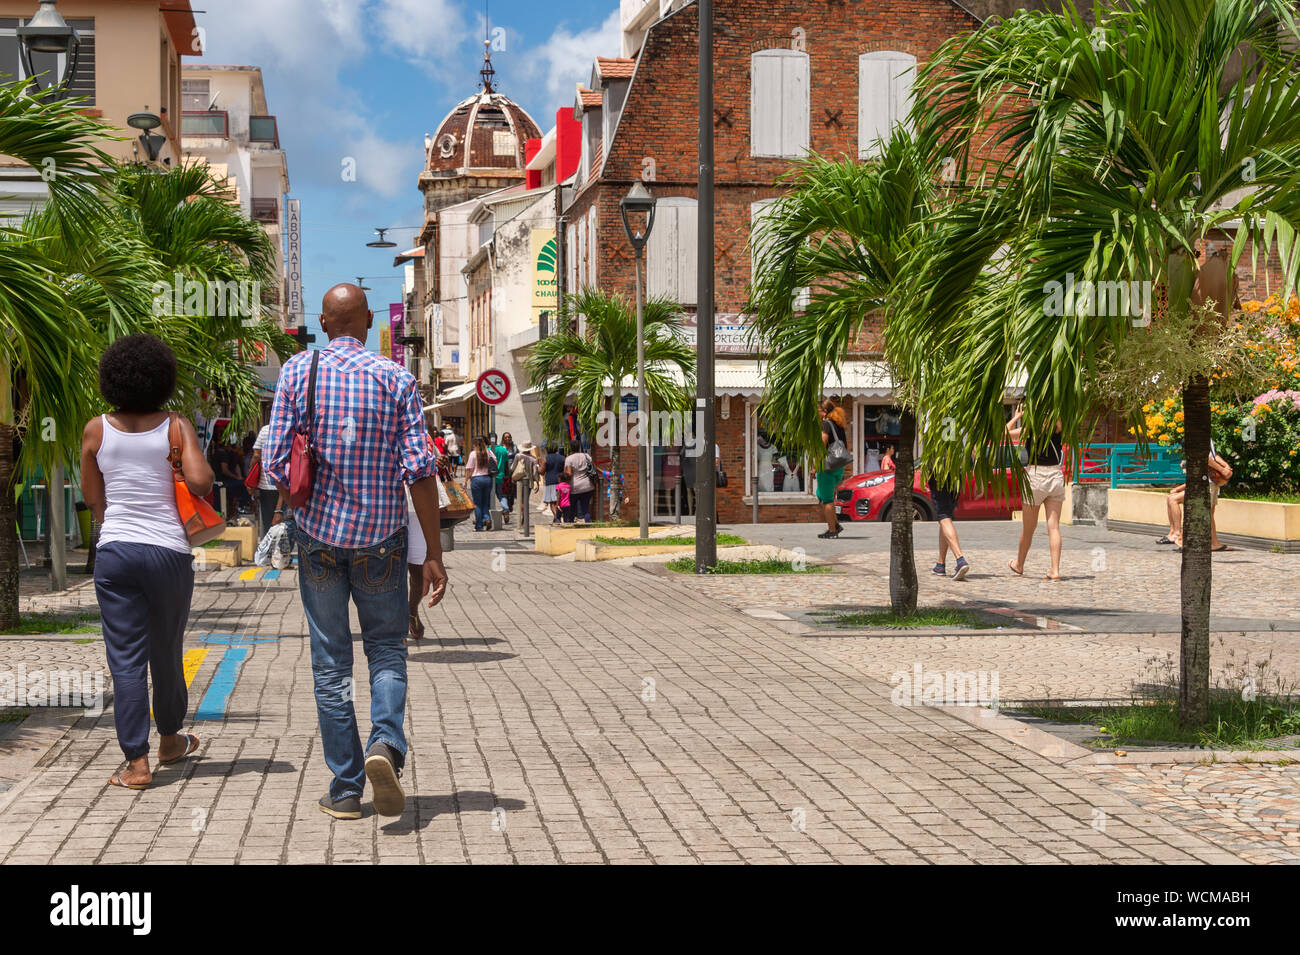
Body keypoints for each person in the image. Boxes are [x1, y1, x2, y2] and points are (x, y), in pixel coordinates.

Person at [263, 283, 447, 820]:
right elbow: (420, 470)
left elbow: (275, 462)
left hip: (318, 539)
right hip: (381, 540)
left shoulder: (298, 371)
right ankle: (385, 745)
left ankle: (345, 790)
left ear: (322, 323)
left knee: (330, 663)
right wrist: (432, 551)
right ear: (369, 321)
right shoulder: (397, 378)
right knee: (387, 650)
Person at [80, 334, 214, 791]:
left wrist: (118, 529)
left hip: (115, 552)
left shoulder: (95, 429)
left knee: (126, 659)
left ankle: (136, 765)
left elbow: (93, 500)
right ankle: (171, 740)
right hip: (168, 553)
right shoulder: (175, 425)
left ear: (111, 379)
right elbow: (200, 482)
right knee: (166, 648)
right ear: (162, 378)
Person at [1006, 408, 1064, 580]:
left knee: (1029, 529)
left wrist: (1018, 415)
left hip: (1036, 477)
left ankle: (1019, 564)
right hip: (1055, 475)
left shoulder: (1029, 430)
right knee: (1053, 527)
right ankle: (1055, 570)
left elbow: (1005, 433)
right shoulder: (1058, 426)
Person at [1164, 443, 1234, 551]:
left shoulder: (1208, 435)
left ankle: (1213, 543)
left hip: (1212, 480)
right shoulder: (1199, 433)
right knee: (1200, 511)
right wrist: (1222, 470)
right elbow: (1205, 457)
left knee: (1209, 512)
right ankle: (1181, 537)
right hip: (1206, 481)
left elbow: (1213, 454)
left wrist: (1226, 466)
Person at [406, 431, 438, 642]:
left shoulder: (423, 437)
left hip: (417, 513)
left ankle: (411, 612)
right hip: (386, 508)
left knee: (418, 573)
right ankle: (399, 624)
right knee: (391, 572)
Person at [927, 471, 970, 580]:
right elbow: (975, 454)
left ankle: (960, 560)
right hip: (956, 472)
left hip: (939, 473)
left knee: (944, 516)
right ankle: (940, 565)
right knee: (946, 517)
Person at [817, 399, 849, 538]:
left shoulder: (826, 424)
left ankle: (832, 531)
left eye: (818, 410)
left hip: (827, 466)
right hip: (838, 466)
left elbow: (822, 445)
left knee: (827, 500)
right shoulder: (838, 425)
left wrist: (815, 466)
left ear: (824, 411)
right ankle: (835, 524)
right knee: (821, 494)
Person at [250, 419, 280, 532]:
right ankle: (283, 544)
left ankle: (270, 545)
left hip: (266, 484)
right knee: (284, 517)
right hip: (286, 482)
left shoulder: (265, 430)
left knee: (268, 519)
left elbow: (257, 455)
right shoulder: (290, 428)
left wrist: (250, 472)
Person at [466, 435, 497, 531]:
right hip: (487, 479)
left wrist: (465, 480)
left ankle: (479, 526)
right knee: (485, 502)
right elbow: (495, 461)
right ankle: (487, 519)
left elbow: (469, 469)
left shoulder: (473, 454)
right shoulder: (489, 452)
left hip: (476, 479)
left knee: (477, 504)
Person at [563, 440, 595, 523]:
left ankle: (570, 525)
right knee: (586, 509)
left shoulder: (569, 459)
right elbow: (592, 467)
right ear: (579, 447)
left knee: (572, 509)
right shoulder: (586, 456)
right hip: (588, 486)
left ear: (571, 448)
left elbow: (569, 474)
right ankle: (588, 525)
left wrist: (564, 476)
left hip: (574, 488)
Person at [543, 443, 565, 521]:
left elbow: (542, 471)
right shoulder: (562, 458)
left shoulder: (546, 458)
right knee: (558, 501)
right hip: (560, 481)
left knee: (552, 502)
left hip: (550, 481)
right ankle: (557, 516)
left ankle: (556, 516)